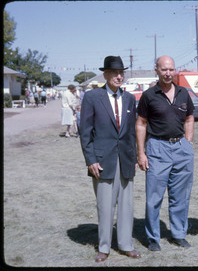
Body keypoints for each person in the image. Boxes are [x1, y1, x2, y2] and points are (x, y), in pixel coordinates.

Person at [79, 56, 141, 262]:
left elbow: (131, 132)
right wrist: (91, 160)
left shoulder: (130, 99)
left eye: (121, 72)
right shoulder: (92, 97)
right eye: (114, 73)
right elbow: (85, 131)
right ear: (105, 75)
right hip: (102, 160)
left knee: (126, 205)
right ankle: (104, 247)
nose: (119, 76)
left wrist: (133, 157)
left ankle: (125, 244)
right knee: (105, 205)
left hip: (125, 159)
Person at [136, 55, 195, 252]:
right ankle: (153, 237)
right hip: (157, 148)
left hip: (181, 147)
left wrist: (187, 142)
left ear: (175, 70)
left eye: (171, 69)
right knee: (154, 197)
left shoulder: (183, 93)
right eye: (164, 69)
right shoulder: (149, 95)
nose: (168, 73)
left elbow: (189, 118)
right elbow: (141, 124)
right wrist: (141, 153)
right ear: (156, 70)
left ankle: (178, 234)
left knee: (180, 196)